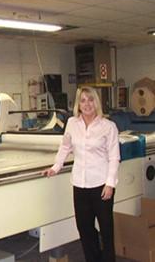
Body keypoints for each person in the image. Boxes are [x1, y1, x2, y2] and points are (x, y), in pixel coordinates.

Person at [44, 87, 120, 262]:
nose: (87, 104)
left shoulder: (108, 127)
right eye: (83, 100)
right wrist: (55, 167)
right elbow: (65, 147)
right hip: (80, 184)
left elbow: (114, 157)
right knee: (84, 229)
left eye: (91, 99)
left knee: (106, 230)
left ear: (96, 102)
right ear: (78, 104)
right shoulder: (72, 123)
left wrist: (110, 184)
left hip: (102, 185)